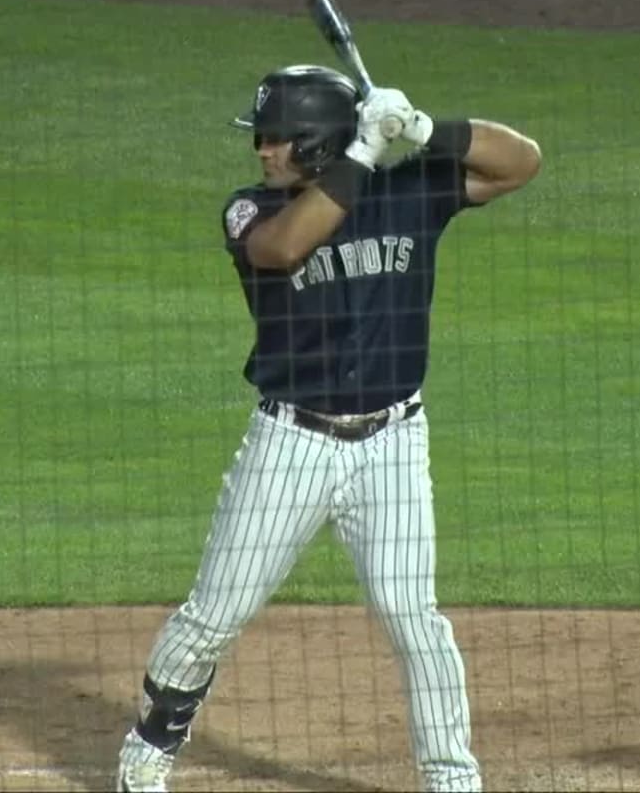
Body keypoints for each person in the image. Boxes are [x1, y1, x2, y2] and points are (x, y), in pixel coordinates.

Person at [112, 63, 542, 793]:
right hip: (292, 445)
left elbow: (522, 163)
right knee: (215, 615)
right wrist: (365, 154)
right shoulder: (251, 211)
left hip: (394, 445)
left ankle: (452, 779)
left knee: (415, 617)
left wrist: (427, 130)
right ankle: (148, 750)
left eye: (277, 139)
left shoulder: (407, 193)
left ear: (315, 143)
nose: (262, 151)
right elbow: (282, 251)